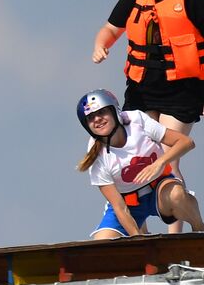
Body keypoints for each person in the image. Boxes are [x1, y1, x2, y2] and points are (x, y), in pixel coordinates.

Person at [92, 0, 204, 226]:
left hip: (181, 90)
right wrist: (101, 45)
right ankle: (136, 230)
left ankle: (176, 235)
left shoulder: (193, 0)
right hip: (141, 89)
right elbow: (110, 28)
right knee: (133, 157)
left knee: (168, 158)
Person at [77, 88, 204, 239]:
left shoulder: (136, 120)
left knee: (178, 195)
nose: (97, 119)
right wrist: (138, 239)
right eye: (90, 117)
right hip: (128, 204)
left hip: (159, 187)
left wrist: (160, 163)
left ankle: (200, 232)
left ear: (114, 111)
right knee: (101, 243)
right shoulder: (95, 155)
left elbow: (186, 142)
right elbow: (119, 206)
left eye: (101, 112)